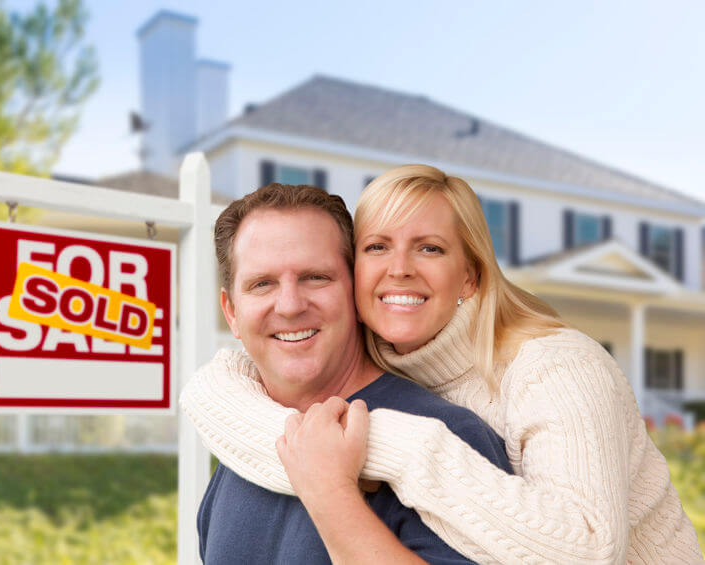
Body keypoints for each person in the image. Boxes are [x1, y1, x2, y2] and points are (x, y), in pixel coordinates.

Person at [181, 165, 704, 564]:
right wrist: (206, 393)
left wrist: (372, 461)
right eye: (378, 247)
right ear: (229, 309)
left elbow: (590, 549)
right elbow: (218, 390)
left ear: (471, 276)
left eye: (316, 277)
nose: (399, 270)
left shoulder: (549, 373)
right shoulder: (252, 436)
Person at [196, 182, 513, 564]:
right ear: (231, 312)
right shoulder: (242, 445)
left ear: (356, 291)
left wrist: (332, 493)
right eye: (262, 284)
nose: (290, 305)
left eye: (316, 277)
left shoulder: (450, 438)